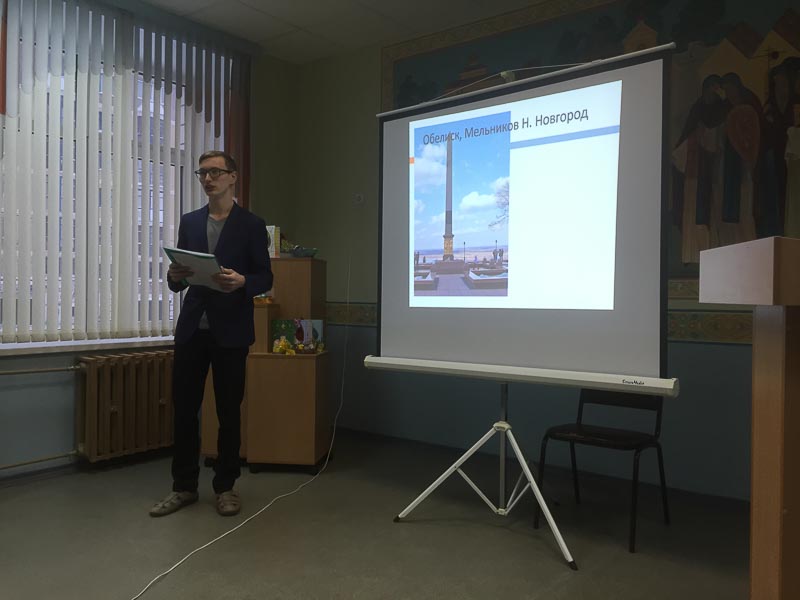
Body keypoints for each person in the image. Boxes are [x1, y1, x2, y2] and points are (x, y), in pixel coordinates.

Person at [150, 150, 273, 518]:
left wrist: (243, 282)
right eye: (203, 173)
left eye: (215, 172)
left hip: (231, 331)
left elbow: (265, 277)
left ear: (233, 177)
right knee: (185, 411)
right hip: (192, 330)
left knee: (228, 412)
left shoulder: (251, 225)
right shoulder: (190, 222)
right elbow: (179, 280)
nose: (208, 179)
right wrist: (174, 276)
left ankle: (226, 486)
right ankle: (184, 486)